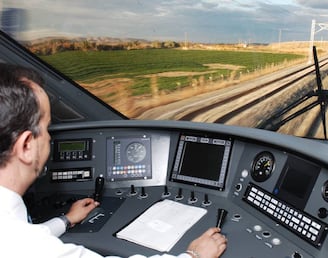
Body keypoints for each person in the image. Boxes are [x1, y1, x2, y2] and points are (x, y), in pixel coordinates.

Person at [0, 63, 227, 258]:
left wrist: (66, 220)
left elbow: (26, 237)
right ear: (27, 145)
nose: (50, 137)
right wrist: (194, 254)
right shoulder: (23, 245)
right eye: (47, 128)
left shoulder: (15, 234)